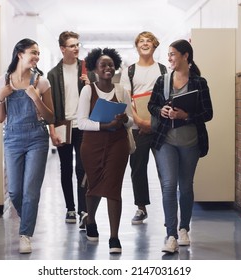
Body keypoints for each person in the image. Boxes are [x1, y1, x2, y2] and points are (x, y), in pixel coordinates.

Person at [148, 39, 213, 254]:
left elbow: (208, 113)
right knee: (168, 185)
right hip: (165, 141)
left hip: (190, 142)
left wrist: (186, 116)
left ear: (186, 56)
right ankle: (171, 235)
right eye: (169, 54)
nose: (169, 58)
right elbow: (152, 105)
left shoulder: (199, 83)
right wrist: (161, 111)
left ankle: (184, 228)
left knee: (185, 186)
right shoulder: (162, 81)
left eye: (173, 54)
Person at [0, 38, 54, 254]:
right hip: (12, 138)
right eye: (33, 52)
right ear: (20, 53)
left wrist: (37, 98)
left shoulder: (42, 82)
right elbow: (0, 118)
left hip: (37, 137)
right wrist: (0, 99)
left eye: (38, 53)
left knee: (30, 191)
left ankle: (25, 234)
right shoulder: (3, 81)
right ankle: (28, 217)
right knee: (14, 192)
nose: (36, 57)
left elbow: (51, 117)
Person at [77, 48, 133, 254]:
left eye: (111, 64)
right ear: (94, 69)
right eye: (103, 65)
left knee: (113, 187)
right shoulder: (88, 90)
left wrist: (125, 120)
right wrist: (104, 125)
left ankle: (114, 237)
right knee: (93, 184)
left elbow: (132, 122)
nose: (108, 68)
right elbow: (81, 122)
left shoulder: (122, 91)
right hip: (92, 144)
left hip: (118, 144)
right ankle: (90, 219)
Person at [47, 31, 95, 228]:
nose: (76, 48)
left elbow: (97, 96)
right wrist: (51, 129)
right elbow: (48, 105)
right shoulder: (53, 74)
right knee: (65, 168)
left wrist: (89, 84)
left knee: (82, 168)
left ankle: (84, 210)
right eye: (71, 45)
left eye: (77, 44)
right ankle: (70, 208)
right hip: (62, 124)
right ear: (62, 48)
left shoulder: (87, 70)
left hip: (82, 124)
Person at [119, 31, 167, 225]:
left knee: (165, 169)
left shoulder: (163, 70)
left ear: (155, 46)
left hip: (160, 127)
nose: (145, 44)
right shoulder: (129, 71)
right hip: (138, 127)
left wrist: (154, 123)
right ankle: (141, 207)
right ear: (137, 46)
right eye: (141, 41)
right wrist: (138, 121)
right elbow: (126, 98)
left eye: (149, 41)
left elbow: (166, 97)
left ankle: (168, 207)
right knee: (137, 168)